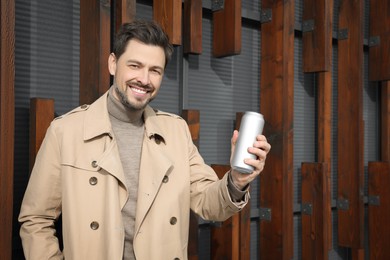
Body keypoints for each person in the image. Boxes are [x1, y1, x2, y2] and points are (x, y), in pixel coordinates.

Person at [19, 20, 271, 260]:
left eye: (155, 70)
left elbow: (208, 203)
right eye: (135, 65)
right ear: (113, 63)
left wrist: (237, 181)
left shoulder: (176, 132)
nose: (144, 79)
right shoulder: (66, 131)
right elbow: (36, 219)